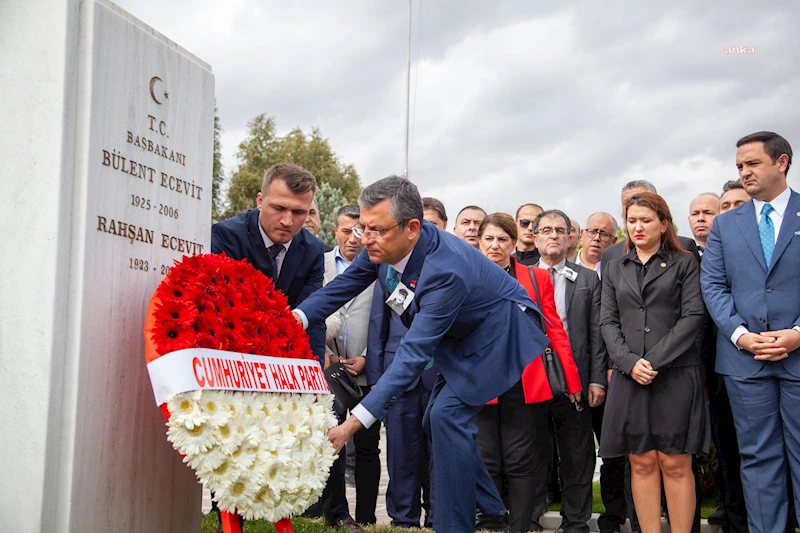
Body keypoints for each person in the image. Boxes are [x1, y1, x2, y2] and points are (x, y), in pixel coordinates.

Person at [293, 176, 552, 533]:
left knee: (445, 417)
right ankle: (492, 509)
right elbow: (342, 285)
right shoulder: (386, 245)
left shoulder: (445, 270)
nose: (364, 239)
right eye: (361, 228)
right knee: (436, 419)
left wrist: (351, 424)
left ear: (412, 227)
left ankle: (453, 526)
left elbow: (413, 355)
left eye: (376, 230)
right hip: (461, 334)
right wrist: (292, 320)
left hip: (499, 332)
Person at [210, 164, 360, 532]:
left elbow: (315, 314)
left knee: (323, 415)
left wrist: (309, 376)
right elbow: (220, 306)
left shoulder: (311, 250)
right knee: (231, 432)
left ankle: (336, 512)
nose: (289, 220)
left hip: (289, 355)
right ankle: (227, 510)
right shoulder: (226, 235)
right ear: (260, 200)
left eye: (300, 211)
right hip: (233, 354)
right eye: (279, 208)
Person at [701, 131, 800, 533]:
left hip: (798, 355)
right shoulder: (726, 225)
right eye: (739, 165)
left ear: (781, 162)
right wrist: (740, 335)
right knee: (758, 458)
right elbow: (714, 286)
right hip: (744, 361)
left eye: (752, 163)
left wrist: (797, 333)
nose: (744, 172)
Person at [600, 191, 709, 533]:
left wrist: (652, 361)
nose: (638, 227)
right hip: (630, 376)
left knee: (675, 462)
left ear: (664, 224)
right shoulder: (614, 265)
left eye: (646, 220)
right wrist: (629, 362)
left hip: (675, 375)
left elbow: (693, 317)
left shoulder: (684, 261)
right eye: (632, 221)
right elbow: (607, 321)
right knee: (641, 461)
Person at [474, 212, 582, 533]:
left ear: (514, 244)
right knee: (488, 461)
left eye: (502, 239)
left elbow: (555, 331)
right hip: (479, 384)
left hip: (523, 383)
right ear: (479, 243)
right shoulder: (465, 277)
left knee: (521, 462)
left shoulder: (537, 279)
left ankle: (519, 527)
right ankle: (492, 524)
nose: (495, 245)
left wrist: (571, 380)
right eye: (489, 239)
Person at [532, 210, 609, 533]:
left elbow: (598, 333)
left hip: (574, 381)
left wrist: (595, 379)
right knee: (532, 452)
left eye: (560, 230)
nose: (553, 235)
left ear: (570, 238)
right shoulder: (519, 276)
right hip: (531, 381)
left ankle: (575, 521)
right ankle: (530, 516)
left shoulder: (588, 279)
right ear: (534, 237)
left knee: (577, 454)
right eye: (546, 230)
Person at [323, 205, 380, 526]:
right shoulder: (319, 265)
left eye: (361, 231)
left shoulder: (380, 265)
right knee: (332, 439)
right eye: (347, 231)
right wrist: (327, 354)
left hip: (367, 371)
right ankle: (334, 512)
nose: (354, 238)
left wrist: (369, 357)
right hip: (329, 370)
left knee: (368, 447)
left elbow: (388, 318)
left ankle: (367, 516)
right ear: (336, 232)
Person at [602, 180, 700, 270]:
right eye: (628, 202)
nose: (635, 205)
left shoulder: (685, 248)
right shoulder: (610, 255)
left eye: (642, 200)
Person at [575, 212, 618, 279]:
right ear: (582, 235)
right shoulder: (563, 265)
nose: (597, 238)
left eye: (604, 234)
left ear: (614, 241)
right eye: (592, 231)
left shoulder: (618, 273)